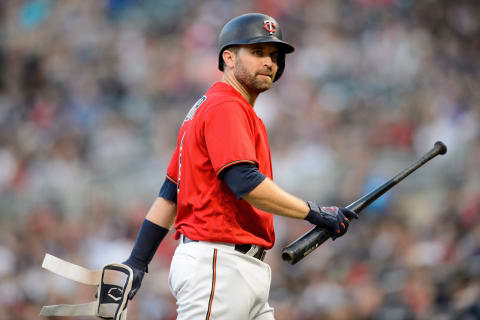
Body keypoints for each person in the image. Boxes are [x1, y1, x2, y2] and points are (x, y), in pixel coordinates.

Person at [122, 13, 358, 320]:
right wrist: (314, 212)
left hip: (237, 268)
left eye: (273, 56)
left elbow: (171, 194)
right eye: (257, 52)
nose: (269, 62)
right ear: (229, 57)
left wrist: (137, 261)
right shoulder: (227, 105)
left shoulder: (211, 106)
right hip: (218, 265)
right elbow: (244, 181)